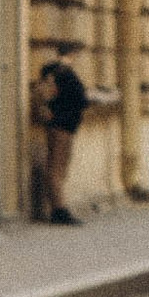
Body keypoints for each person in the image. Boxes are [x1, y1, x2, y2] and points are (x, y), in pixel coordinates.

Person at [35, 53, 88, 221]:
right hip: (60, 126)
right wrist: (49, 112)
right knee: (56, 168)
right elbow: (45, 95)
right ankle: (59, 209)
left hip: (65, 125)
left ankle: (58, 207)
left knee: (60, 168)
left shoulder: (63, 74)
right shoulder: (57, 74)